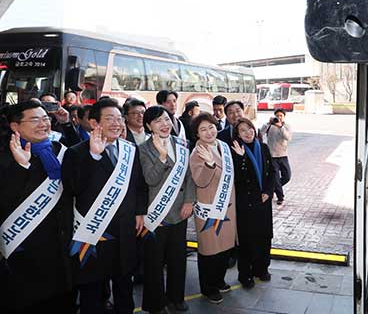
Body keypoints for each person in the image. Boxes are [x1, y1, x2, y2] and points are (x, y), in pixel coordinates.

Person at [61, 98, 147, 314]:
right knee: (93, 291)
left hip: (126, 231)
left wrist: (139, 212)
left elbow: (139, 185)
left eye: (119, 119)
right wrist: (93, 156)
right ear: (94, 122)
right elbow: (72, 188)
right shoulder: (76, 152)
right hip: (94, 233)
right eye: (109, 118)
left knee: (124, 285)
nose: (116, 123)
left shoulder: (130, 150)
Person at [0, 101, 74, 313]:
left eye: (45, 118)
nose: (43, 124)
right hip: (23, 252)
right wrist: (22, 167)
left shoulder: (59, 150)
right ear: (15, 126)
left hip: (61, 249)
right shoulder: (5, 155)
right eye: (35, 119)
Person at [138, 106, 195, 314]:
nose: (164, 125)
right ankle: (155, 303)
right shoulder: (143, 149)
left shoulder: (181, 144)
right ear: (148, 126)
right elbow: (150, 179)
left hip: (180, 212)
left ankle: (176, 297)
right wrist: (162, 158)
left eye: (166, 120)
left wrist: (189, 201)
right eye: (157, 121)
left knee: (178, 259)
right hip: (156, 215)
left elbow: (189, 176)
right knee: (154, 263)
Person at [189, 113, 237, 304]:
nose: (209, 132)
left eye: (211, 127)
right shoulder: (197, 152)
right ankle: (208, 288)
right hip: (210, 208)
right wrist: (209, 165)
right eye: (203, 129)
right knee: (210, 250)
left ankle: (219, 280)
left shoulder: (222, 146)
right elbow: (199, 181)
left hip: (227, 206)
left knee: (224, 247)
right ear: (197, 134)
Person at [230, 117, 276, 288]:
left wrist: (268, 192)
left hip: (263, 201)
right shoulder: (234, 150)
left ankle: (261, 269)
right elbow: (239, 179)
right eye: (242, 130)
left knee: (264, 237)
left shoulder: (263, 148)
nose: (248, 133)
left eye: (249, 128)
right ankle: (245, 275)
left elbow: (272, 172)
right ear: (238, 134)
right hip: (246, 203)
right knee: (247, 240)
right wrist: (242, 159)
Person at [260, 109, 292, 205]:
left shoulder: (286, 126)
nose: (278, 117)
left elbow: (288, 137)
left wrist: (280, 126)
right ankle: (280, 197)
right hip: (272, 156)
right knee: (276, 178)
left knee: (287, 176)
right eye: (277, 115)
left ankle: (272, 189)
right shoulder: (270, 126)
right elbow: (260, 133)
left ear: (284, 117)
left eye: (281, 115)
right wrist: (268, 123)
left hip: (283, 155)